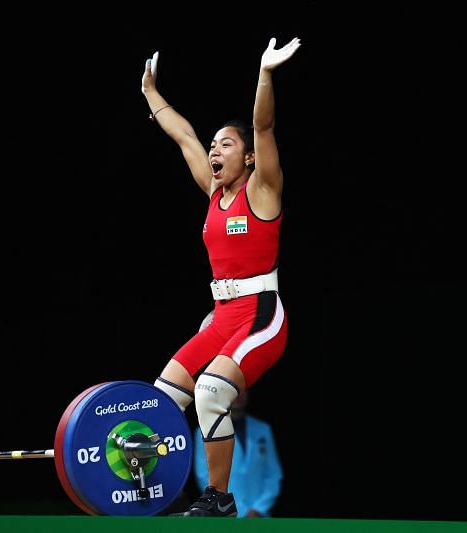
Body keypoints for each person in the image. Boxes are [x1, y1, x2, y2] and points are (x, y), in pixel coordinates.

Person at [144, 36, 300, 517]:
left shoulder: (263, 189)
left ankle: (220, 498)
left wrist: (265, 75)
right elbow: (184, 136)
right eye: (215, 145)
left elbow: (263, 124)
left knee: (211, 392)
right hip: (220, 316)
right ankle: (164, 491)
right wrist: (150, 92)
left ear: (248, 158)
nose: (214, 150)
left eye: (226, 144)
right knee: (162, 399)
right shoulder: (213, 194)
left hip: (262, 316)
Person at [194, 385, 283, 517]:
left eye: (243, 389)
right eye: (233, 389)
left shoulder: (263, 429)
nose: (239, 394)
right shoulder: (206, 430)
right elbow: (203, 475)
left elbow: (273, 474)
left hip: (260, 517)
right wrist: (239, 509)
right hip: (225, 515)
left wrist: (258, 509)